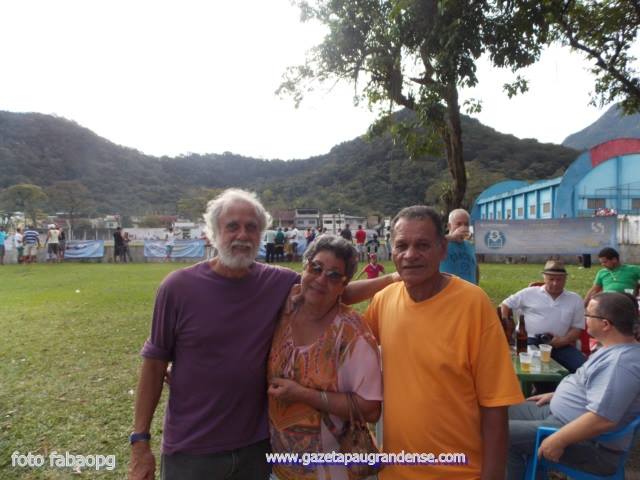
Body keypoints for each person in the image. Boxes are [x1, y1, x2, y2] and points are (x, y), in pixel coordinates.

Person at [129, 188, 399, 480]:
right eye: (232, 226)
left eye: (251, 227)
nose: (242, 235)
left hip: (256, 450)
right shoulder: (178, 288)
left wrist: (396, 277)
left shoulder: (276, 282)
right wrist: (140, 441)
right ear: (213, 232)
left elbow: (329, 290)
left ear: (261, 235)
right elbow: (154, 364)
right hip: (192, 449)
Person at [363, 205, 524, 479]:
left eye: (422, 245)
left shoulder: (473, 304)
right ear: (391, 251)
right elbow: (344, 344)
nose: (410, 254)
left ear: (443, 249)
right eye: (401, 245)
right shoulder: (383, 300)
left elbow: (495, 405)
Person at [268, 235, 382, 480]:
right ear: (304, 267)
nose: (321, 279)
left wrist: (303, 394)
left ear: (344, 285)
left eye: (333, 275)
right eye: (316, 268)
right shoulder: (281, 313)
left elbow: (371, 410)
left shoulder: (352, 333)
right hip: (279, 469)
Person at [507, 292, 640, 479]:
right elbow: (595, 388)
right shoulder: (613, 349)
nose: (585, 320)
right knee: (497, 413)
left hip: (590, 445)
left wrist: (558, 440)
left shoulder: (620, 364)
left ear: (605, 324)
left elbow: (602, 420)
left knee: (498, 434)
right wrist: (557, 395)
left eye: (589, 315)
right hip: (562, 416)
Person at [500, 260, 586, 373]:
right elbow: (505, 304)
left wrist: (564, 340)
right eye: (551, 279)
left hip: (559, 344)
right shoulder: (529, 293)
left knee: (585, 368)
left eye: (559, 279)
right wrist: (506, 323)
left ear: (565, 279)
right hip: (530, 342)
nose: (555, 283)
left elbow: (577, 328)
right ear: (544, 277)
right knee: (533, 371)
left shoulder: (575, 299)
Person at [440, 208, 479, 284]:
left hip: (469, 289)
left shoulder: (469, 245)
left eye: (466, 224)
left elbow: (475, 268)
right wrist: (452, 237)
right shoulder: (442, 243)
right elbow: (431, 241)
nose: (463, 227)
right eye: (459, 224)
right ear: (449, 226)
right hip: (449, 288)